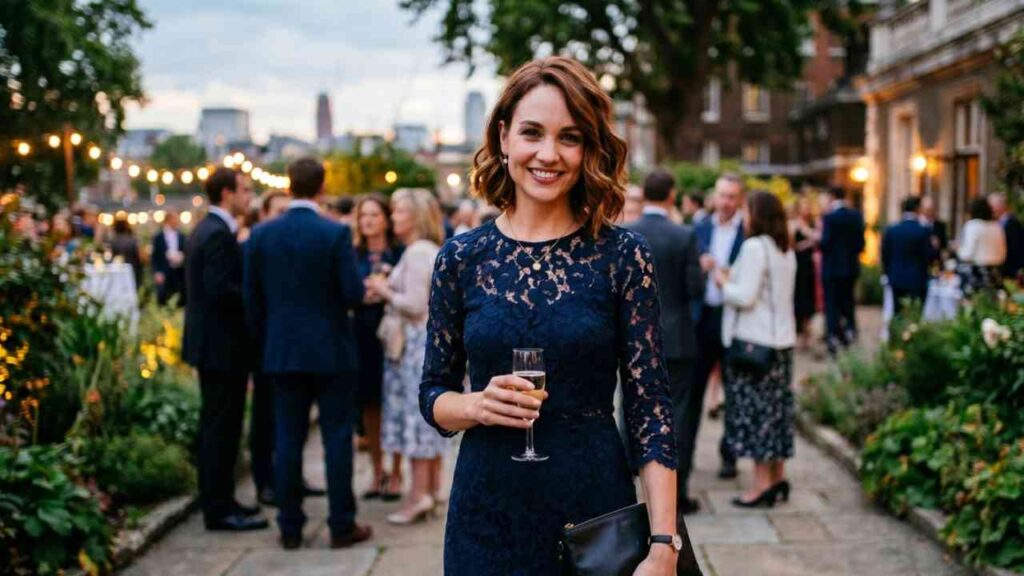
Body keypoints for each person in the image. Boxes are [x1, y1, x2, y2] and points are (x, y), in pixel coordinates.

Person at [420, 57, 679, 575]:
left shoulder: (622, 257)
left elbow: (650, 410)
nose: (548, 154)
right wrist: (476, 405)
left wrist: (663, 544)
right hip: (485, 513)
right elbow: (432, 396)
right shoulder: (460, 258)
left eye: (570, 137)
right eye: (532, 133)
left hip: (592, 513)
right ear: (503, 137)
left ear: (589, 149)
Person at [244, 158, 371, 550]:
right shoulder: (333, 234)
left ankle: (290, 527)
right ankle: (341, 523)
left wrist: (267, 343)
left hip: (282, 352)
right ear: (322, 186)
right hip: (331, 350)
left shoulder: (262, 235)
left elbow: (253, 300)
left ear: (289, 185)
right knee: (336, 439)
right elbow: (353, 293)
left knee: (288, 439)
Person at [183, 167, 267, 532]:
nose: (249, 196)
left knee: (225, 427)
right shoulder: (216, 233)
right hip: (221, 349)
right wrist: (256, 297)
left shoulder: (210, 228)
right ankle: (217, 510)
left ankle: (225, 499)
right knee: (221, 428)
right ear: (227, 193)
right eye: (244, 190)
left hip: (217, 347)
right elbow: (221, 292)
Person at [364, 188, 448, 525]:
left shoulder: (416, 253)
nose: (392, 217)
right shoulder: (426, 250)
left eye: (398, 212)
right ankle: (430, 491)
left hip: (413, 347)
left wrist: (383, 289)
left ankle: (419, 497)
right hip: (420, 345)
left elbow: (415, 306)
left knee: (416, 425)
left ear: (414, 217)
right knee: (423, 425)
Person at [625, 170, 703, 516]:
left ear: (644, 196)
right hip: (677, 339)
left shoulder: (627, 233)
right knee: (678, 417)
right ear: (671, 195)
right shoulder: (684, 235)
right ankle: (678, 492)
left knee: (632, 411)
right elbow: (696, 290)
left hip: (632, 342)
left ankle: (631, 487)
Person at [715, 191, 797, 508]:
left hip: (754, 343)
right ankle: (778, 478)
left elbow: (744, 296)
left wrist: (722, 280)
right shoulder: (784, 248)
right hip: (782, 343)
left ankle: (760, 486)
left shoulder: (753, 247)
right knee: (777, 413)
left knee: (758, 414)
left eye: (747, 210)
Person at [692, 174, 746, 482]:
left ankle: (730, 456)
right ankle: (687, 454)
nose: (725, 202)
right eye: (722, 195)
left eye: (731, 196)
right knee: (693, 393)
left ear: (739, 200)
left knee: (733, 392)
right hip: (702, 319)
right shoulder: (697, 228)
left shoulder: (748, 232)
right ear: (714, 196)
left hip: (733, 319)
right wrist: (700, 267)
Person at [351, 193, 403, 502]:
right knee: (369, 403)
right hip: (362, 333)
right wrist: (369, 291)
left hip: (394, 333)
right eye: (363, 215)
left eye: (373, 214)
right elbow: (348, 289)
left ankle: (397, 473)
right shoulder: (352, 253)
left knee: (393, 403)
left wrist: (380, 290)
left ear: (386, 218)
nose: (368, 221)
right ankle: (377, 471)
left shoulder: (399, 252)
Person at [820, 186, 865, 355]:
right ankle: (850, 332)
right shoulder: (856, 216)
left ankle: (832, 336)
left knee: (831, 305)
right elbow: (861, 244)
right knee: (848, 303)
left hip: (832, 270)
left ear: (832, 196)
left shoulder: (829, 218)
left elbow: (826, 243)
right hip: (850, 269)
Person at [882, 197, 934, 316]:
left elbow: (885, 255)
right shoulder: (923, 231)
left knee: (898, 312)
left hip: (896, 277)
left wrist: (887, 273)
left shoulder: (892, 230)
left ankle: (897, 333)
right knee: (915, 313)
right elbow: (928, 256)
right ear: (917, 209)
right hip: (918, 278)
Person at [957, 197, 1006, 295]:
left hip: (977, 275)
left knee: (976, 305)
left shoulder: (972, 226)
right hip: (996, 274)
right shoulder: (997, 226)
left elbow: (967, 255)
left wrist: (958, 249)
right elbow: (1003, 254)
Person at [790, 196, 819, 350]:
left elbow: (817, 238)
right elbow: (791, 244)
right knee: (797, 300)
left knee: (808, 300)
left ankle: (807, 335)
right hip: (796, 266)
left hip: (808, 266)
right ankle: (797, 334)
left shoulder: (812, 223)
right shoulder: (793, 224)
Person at [152, 210, 187, 306]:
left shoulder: (182, 236)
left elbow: (186, 252)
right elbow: (155, 257)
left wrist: (181, 257)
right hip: (165, 272)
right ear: (168, 220)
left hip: (179, 272)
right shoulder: (158, 237)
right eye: (174, 219)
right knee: (164, 298)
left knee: (180, 298)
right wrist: (157, 272)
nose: (176, 221)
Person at [989, 193, 1022, 282]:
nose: (990, 210)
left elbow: (1014, 248)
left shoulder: (1012, 223)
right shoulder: (998, 223)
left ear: (1000, 207)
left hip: (1010, 270)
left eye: (991, 206)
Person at [109, 216, 143, 290]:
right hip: (134, 271)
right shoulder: (133, 240)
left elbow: (110, 257)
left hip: (117, 272)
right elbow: (140, 257)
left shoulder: (113, 241)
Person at [919, 196, 948, 260]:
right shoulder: (917, 224)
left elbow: (945, 246)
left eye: (932, 209)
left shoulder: (941, 225)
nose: (930, 212)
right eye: (928, 210)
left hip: (935, 263)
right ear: (921, 209)